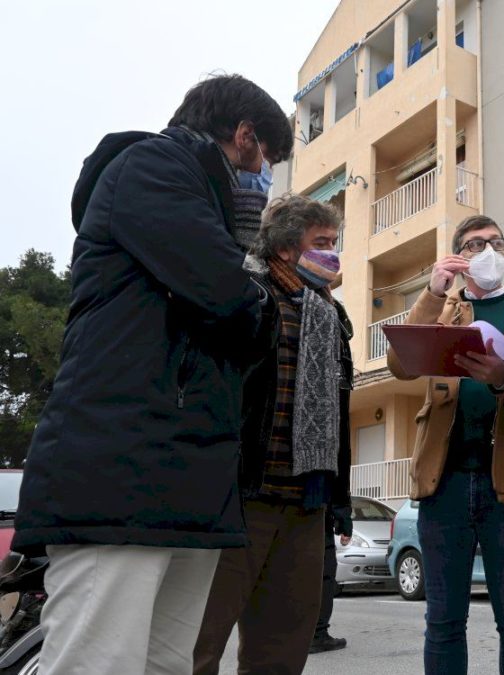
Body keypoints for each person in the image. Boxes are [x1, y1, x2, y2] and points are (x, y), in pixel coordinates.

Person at [11, 74, 292, 674]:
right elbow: (228, 298)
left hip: (184, 481)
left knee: (165, 664)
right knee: (99, 661)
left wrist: (251, 302)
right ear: (246, 138)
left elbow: (242, 322)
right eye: (268, 159)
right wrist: (257, 302)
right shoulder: (150, 166)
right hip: (119, 473)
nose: (267, 181)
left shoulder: (205, 209)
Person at [387, 215, 504, 675]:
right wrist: (432, 290)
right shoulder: (445, 311)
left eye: (495, 243)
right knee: (443, 619)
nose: (487, 251)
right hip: (443, 483)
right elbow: (401, 365)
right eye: (473, 245)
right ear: (457, 258)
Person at [192, 196, 355, 675]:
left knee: (281, 652)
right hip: (242, 497)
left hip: (306, 503)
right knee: (198, 645)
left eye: (333, 242)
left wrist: (337, 498)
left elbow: (340, 411)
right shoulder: (246, 294)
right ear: (286, 248)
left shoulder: (330, 314)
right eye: (320, 243)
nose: (331, 253)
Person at [310, 507, 349, 654]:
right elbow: (337, 487)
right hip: (316, 512)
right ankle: (318, 634)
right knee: (325, 576)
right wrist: (345, 522)